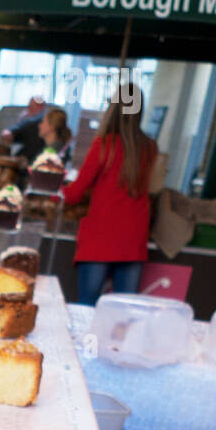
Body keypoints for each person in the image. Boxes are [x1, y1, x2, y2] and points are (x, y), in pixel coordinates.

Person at [62, 85, 157, 307]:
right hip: (133, 240)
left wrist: (57, 188)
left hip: (100, 237)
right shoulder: (149, 148)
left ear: (113, 107)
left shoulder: (104, 145)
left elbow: (74, 194)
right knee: (124, 313)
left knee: (87, 308)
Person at [2, 94, 46, 161]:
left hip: (33, 156)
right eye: (30, 106)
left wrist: (11, 130)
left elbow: (26, 124)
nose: (29, 108)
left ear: (41, 107)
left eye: (33, 106)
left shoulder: (39, 118)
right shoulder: (26, 117)